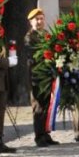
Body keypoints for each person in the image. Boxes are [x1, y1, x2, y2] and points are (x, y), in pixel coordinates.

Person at [24, 8, 59, 147]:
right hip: (36, 77)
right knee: (38, 107)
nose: (39, 22)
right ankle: (39, 136)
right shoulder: (29, 37)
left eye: (41, 18)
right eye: (36, 19)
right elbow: (33, 56)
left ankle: (46, 134)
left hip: (47, 76)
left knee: (46, 106)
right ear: (31, 22)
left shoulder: (46, 34)